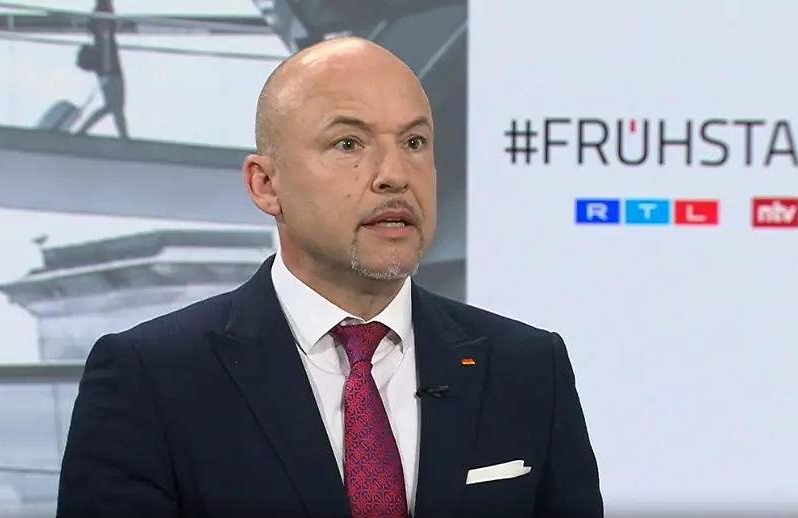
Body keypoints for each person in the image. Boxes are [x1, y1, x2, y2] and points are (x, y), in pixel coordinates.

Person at [56, 37, 602, 517]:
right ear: (266, 184)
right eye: (348, 144)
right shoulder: (150, 380)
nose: (395, 176)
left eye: (414, 143)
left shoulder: (528, 369)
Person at [76, 0, 129, 138]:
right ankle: (124, 138)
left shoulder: (98, 18)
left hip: (107, 67)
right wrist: (107, 67)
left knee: (112, 106)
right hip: (110, 68)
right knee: (115, 106)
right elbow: (105, 39)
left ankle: (123, 136)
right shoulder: (104, 19)